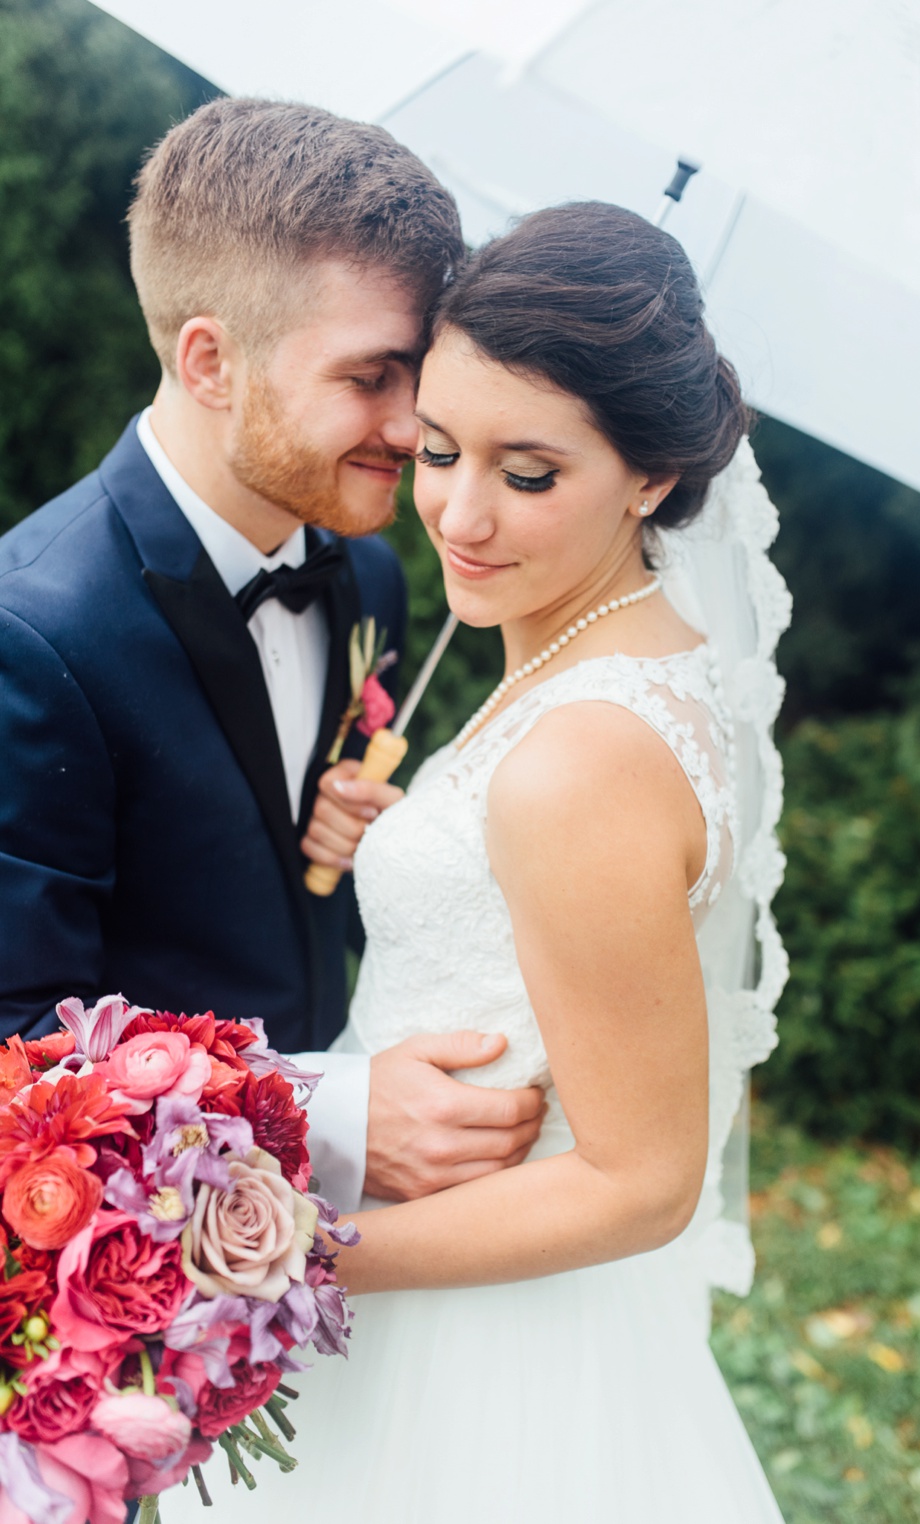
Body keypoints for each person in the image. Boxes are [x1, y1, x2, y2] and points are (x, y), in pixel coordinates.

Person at [171, 200, 786, 1519]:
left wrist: (298, 1256)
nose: (457, 511)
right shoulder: (618, 660)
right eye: (441, 450)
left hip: (484, 1348)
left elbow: (641, 1181)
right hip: (481, 1294)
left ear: (653, 478)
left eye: (528, 473)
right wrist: (403, 840)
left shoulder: (583, 751)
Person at [0, 99, 543, 1223]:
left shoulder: (375, 579)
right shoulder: (31, 634)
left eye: (420, 375)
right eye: (369, 378)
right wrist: (335, 1116)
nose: (414, 427)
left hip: (338, 1260)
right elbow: (18, 1052)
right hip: (138, 1283)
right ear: (210, 360)